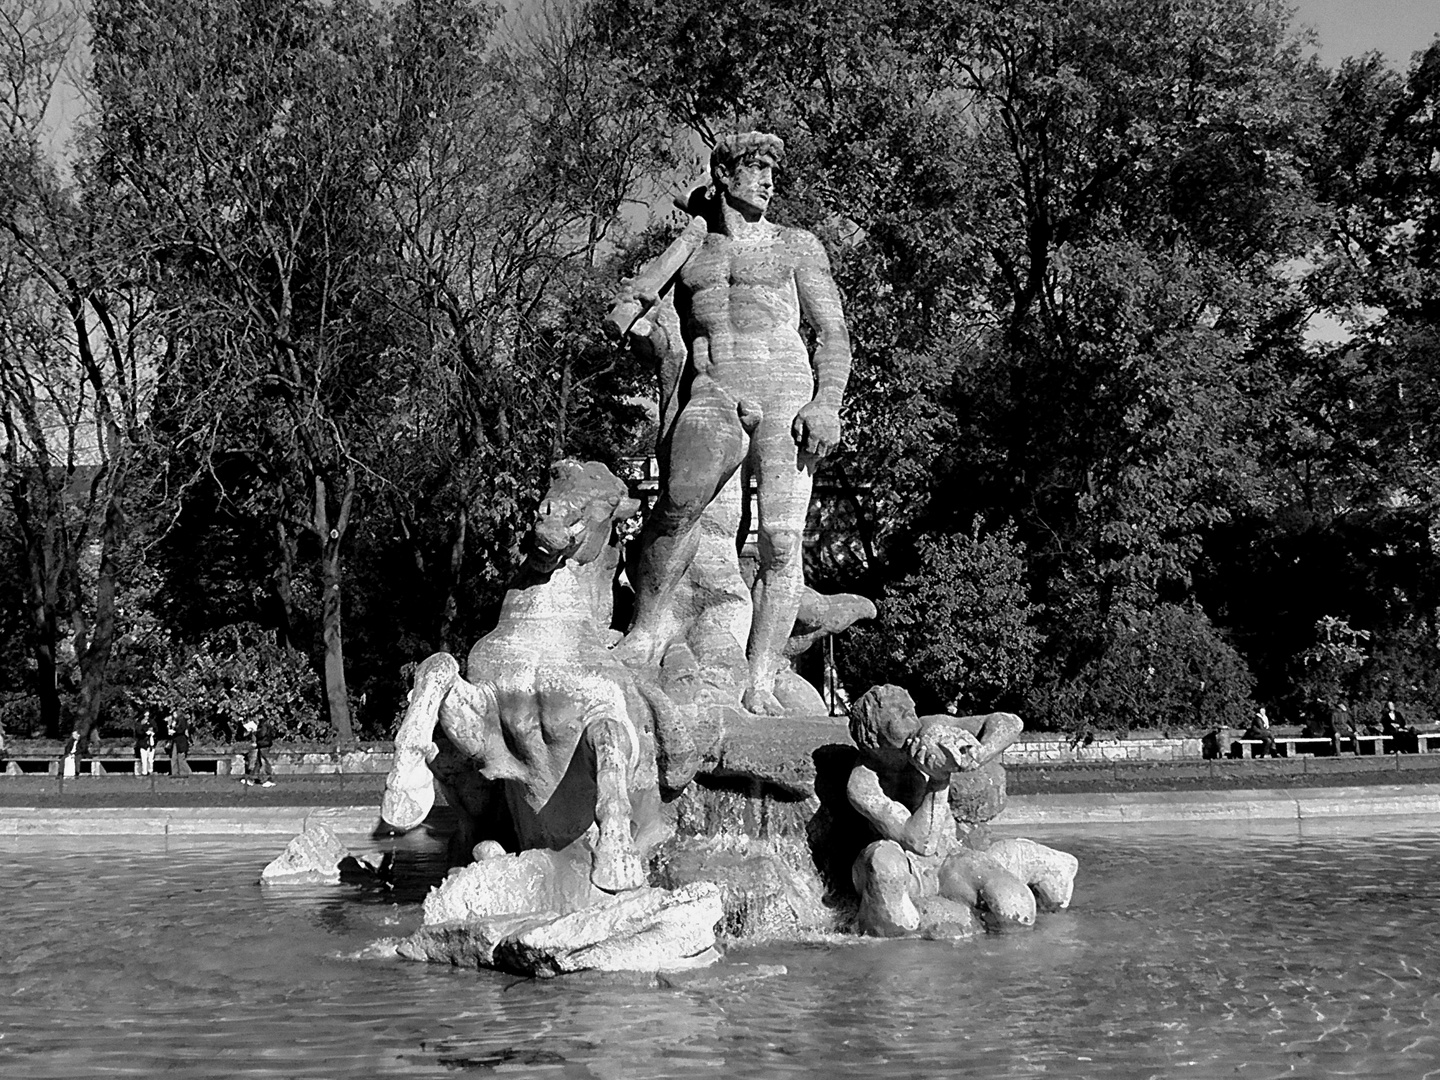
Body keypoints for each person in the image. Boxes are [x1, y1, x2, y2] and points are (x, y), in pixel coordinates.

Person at [610, 131, 853, 715]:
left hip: (784, 392)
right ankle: (649, 627)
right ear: (724, 174)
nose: (769, 181)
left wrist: (828, 402)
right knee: (682, 507)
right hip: (714, 388)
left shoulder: (795, 246)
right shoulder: (693, 251)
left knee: (780, 540)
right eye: (757, 167)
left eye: (773, 169)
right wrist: (640, 325)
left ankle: (762, 677)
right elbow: (631, 309)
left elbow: (833, 333)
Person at [844, 685, 1076, 936]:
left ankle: (1040, 866)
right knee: (884, 865)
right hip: (905, 868)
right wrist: (939, 780)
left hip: (947, 858)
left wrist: (979, 753)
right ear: (873, 734)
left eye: (911, 709)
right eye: (900, 714)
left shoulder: (930, 730)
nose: (913, 719)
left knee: (1015, 908)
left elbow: (1009, 723)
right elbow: (920, 843)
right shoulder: (863, 782)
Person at [240, 718, 275, 787]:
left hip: (264, 745)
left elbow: (262, 734)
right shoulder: (263, 724)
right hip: (262, 744)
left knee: (264, 762)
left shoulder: (264, 724)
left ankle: (267, 779)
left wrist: (254, 731)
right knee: (258, 762)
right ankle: (252, 778)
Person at [134, 711, 157, 776]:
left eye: (148, 716)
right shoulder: (139, 723)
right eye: (145, 716)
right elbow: (138, 732)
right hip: (143, 743)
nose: (147, 717)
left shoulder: (152, 722)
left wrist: (153, 732)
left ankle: (150, 770)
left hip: (151, 743)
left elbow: (156, 729)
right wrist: (145, 730)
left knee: (150, 760)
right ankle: (144, 772)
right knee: (144, 759)